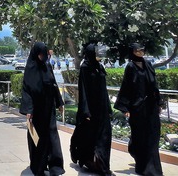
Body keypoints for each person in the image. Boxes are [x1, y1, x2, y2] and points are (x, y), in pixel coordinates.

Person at [114, 43, 164, 176]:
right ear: (133, 52)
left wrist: (159, 102)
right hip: (137, 108)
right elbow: (126, 87)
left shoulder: (148, 64)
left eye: (142, 50)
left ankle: (153, 169)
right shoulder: (130, 67)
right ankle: (142, 165)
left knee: (153, 135)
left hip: (151, 107)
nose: (141, 52)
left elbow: (154, 84)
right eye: (138, 51)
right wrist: (125, 107)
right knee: (139, 137)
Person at [20, 42, 65, 176]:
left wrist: (59, 102)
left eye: (44, 54)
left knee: (52, 136)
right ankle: (38, 166)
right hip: (36, 110)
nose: (43, 57)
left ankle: (55, 166)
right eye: (40, 54)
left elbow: (53, 85)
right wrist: (29, 110)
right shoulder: (30, 67)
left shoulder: (47, 65)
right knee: (37, 139)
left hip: (48, 108)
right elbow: (26, 90)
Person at [70, 43, 114, 176]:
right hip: (91, 111)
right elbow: (83, 90)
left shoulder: (99, 67)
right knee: (90, 139)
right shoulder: (85, 67)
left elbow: (103, 89)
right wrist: (85, 111)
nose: (99, 55)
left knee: (104, 139)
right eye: (96, 53)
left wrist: (109, 107)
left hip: (102, 110)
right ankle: (90, 162)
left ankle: (103, 166)